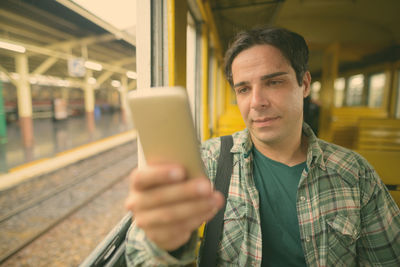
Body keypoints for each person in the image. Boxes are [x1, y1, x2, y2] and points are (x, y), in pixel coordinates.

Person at [124, 26, 400, 266]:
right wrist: (163, 243)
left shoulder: (354, 173)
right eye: (243, 89)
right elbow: (139, 255)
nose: (257, 101)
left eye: (274, 82)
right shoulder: (208, 161)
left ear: (304, 84)